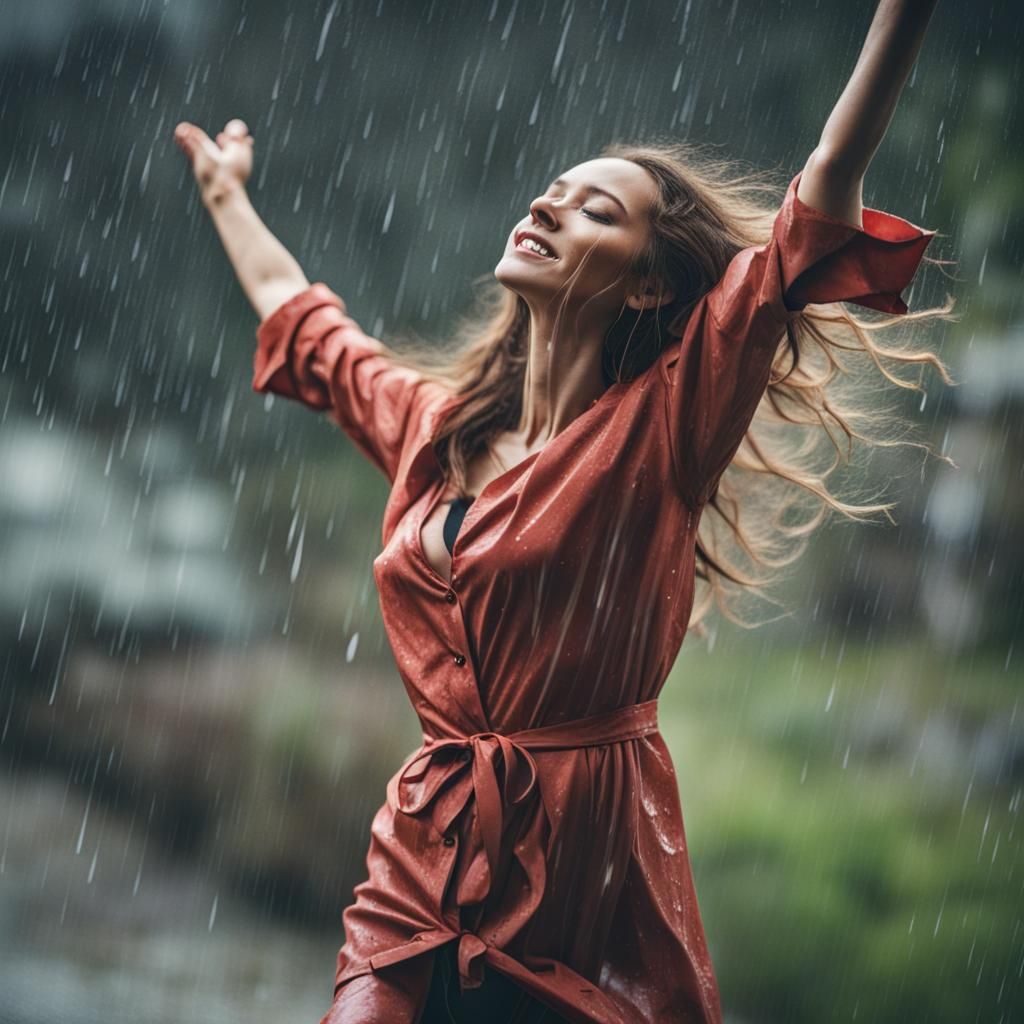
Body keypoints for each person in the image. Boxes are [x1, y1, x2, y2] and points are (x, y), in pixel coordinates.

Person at [174, 2, 952, 1020]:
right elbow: (311, 329)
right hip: (421, 861)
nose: (548, 205)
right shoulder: (437, 429)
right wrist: (225, 196)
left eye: (595, 210)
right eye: (552, 190)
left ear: (647, 286)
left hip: (586, 882)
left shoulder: (666, 423)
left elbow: (817, 199)